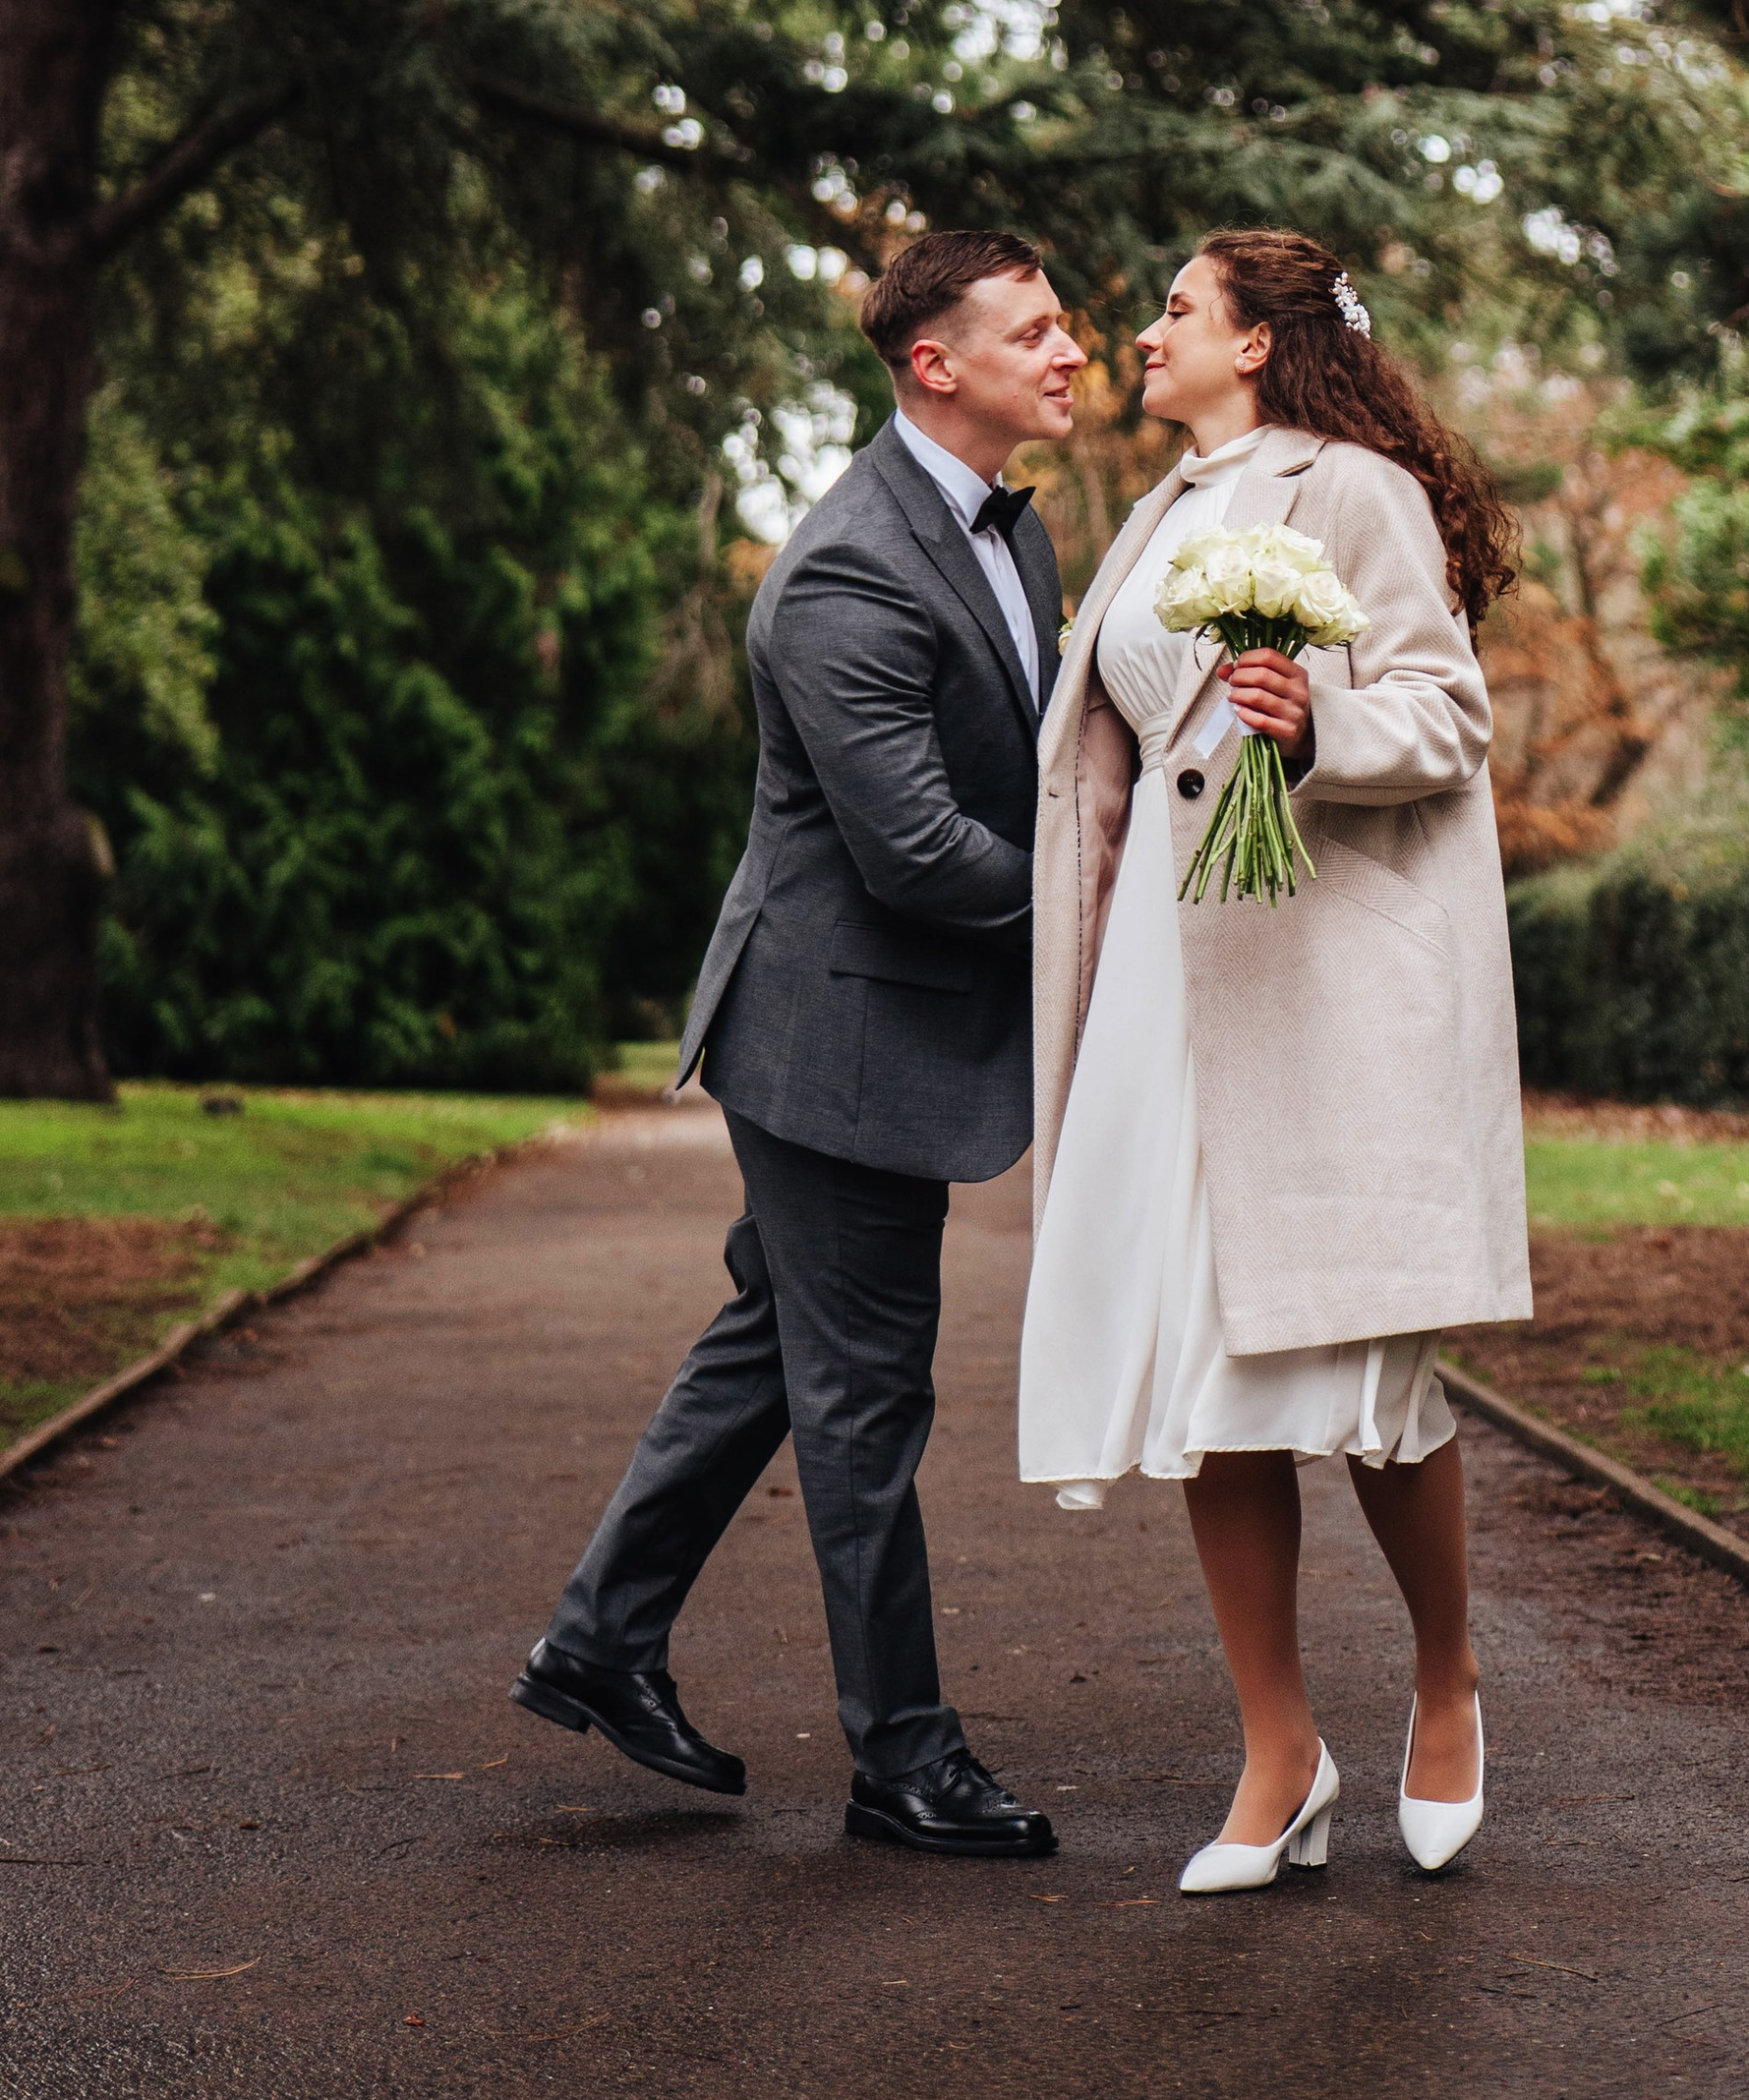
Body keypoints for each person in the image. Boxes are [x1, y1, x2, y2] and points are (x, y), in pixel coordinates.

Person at [515, 230, 1084, 1860]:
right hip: (832, 1043)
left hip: (876, 1026)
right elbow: (914, 849)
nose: (1067, 350)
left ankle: (599, 1640)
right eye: (1032, 330)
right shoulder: (847, 568)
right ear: (936, 363)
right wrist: (1113, 904)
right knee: (863, 1393)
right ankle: (905, 1760)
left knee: (781, 1342)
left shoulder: (1008, 534)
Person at [1021, 227, 1530, 1893]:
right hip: (1170, 982)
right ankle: (1279, 1753)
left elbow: (1446, 715)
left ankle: (1445, 1681)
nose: (1142, 331)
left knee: (1362, 1376)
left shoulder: (1354, 491)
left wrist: (1320, 727)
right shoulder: (1154, 518)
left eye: (1174, 306)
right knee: (1210, 1379)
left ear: (1256, 341)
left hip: (1316, 982)